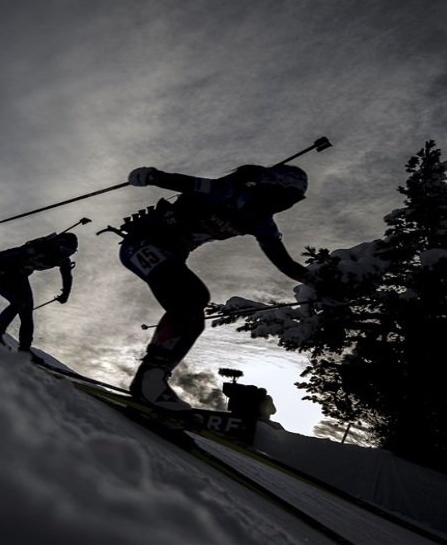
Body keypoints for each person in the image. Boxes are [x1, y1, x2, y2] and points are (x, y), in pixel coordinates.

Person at [121, 164, 311, 410]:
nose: (283, 205)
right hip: (141, 244)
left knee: (194, 319)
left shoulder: (262, 223)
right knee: (194, 297)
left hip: (171, 254)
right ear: (269, 187)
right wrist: (154, 177)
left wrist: (317, 282)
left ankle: (153, 378)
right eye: (283, 197)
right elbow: (189, 183)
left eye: (292, 201)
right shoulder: (229, 190)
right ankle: (150, 378)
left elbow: (284, 262)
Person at [0, 232, 77, 361]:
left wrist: (65, 293)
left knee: (27, 313)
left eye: (70, 252)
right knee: (18, 303)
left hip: (20, 278)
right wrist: (2, 275)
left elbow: (67, 276)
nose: (65, 255)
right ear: (56, 245)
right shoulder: (35, 249)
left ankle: (24, 350)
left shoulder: (63, 260)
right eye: (64, 250)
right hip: (0, 274)